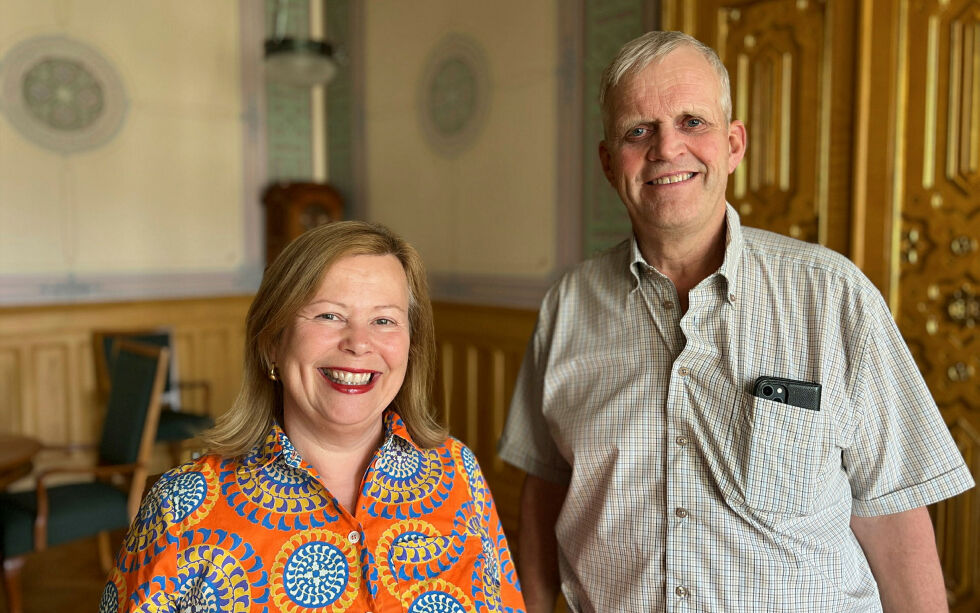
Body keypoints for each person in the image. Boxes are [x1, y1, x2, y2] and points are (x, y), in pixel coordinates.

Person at [499, 30, 974, 612]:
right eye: (637, 131)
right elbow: (545, 488)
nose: (666, 148)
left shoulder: (832, 295)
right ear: (607, 161)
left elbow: (895, 517)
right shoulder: (566, 306)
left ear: (733, 144)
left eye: (692, 122)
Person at [101, 221, 525, 612]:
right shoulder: (179, 507)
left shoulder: (458, 471)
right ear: (272, 342)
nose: (359, 343)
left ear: (410, 347)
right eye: (329, 315)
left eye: (384, 320)